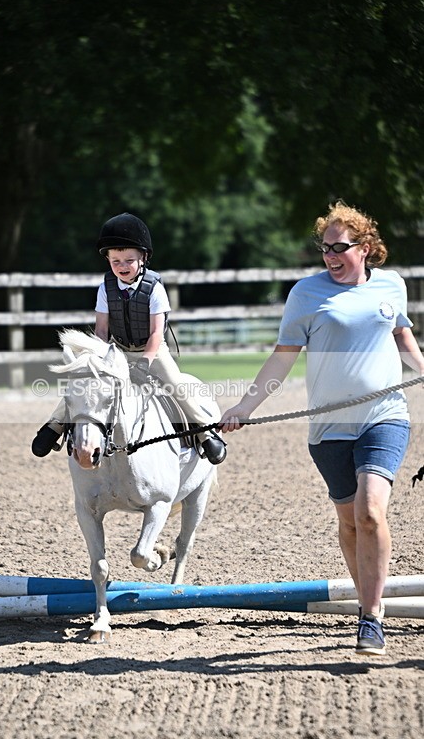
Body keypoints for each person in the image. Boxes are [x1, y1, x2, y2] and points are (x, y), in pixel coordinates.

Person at [220, 200, 424, 656]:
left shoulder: (392, 285)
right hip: (329, 428)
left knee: (371, 512)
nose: (331, 256)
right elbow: (283, 357)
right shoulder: (306, 294)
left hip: (384, 415)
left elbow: (402, 335)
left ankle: (371, 618)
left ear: (366, 247)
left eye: (340, 247)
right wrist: (246, 406)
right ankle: (366, 602)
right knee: (350, 523)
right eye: (325, 248)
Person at [32, 212, 227, 465]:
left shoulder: (155, 288)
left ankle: (204, 432)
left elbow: (157, 332)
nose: (122, 266)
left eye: (128, 260)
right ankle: (55, 425)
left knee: (177, 385)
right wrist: (98, 359)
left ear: (143, 257)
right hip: (118, 352)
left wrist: (146, 360)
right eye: (116, 261)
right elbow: (101, 330)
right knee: (84, 386)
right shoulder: (106, 288)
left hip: (154, 352)